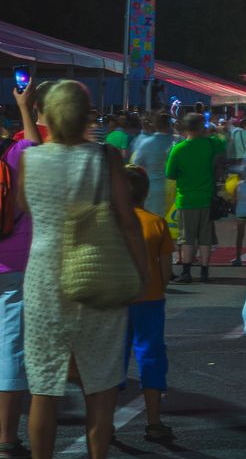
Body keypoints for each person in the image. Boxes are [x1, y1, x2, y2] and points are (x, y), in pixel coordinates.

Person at [19, 80, 147, 459]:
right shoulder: (105, 157)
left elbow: (24, 206)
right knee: (101, 384)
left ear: (48, 114)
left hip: (44, 280)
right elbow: (128, 220)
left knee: (44, 386)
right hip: (97, 271)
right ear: (85, 114)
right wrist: (142, 273)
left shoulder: (30, 159)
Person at [0, 85, 41, 459]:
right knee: (11, 351)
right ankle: (7, 438)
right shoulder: (15, 154)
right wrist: (26, 107)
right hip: (14, 265)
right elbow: (35, 150)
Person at [124, 166, 175, 442]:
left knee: (113, 361)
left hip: (117, 302)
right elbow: (166, 270)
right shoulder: (157, 223)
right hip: (150, 299)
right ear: (146, 193)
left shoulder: (111, 224)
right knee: (151, 357)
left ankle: (103, 423)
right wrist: (158, 286)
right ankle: (154, 422)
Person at [165, 112, 226, 283]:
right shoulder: (211, 143)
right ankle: (204, 272)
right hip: (207, 198)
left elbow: (170, 174)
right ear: (202, 127)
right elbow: (222, 144)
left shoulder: (178, 149)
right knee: (205, 237)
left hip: (186, 199)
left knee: (187, 237)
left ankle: (186, 272)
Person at [130, 113, 174, 215]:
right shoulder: (178, 141)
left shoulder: (146, 143)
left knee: (155, 217)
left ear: (155, 124)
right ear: (170, 124)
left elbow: (136, 164)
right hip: (174, 188)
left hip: (154, 188)